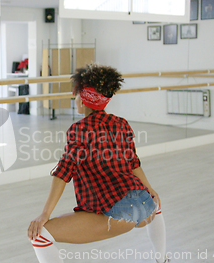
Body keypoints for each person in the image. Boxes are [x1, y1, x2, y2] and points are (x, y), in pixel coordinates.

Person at [27, 64, 169, 263]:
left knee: (40, 235)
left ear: (84, 100)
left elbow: (63, 173)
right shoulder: (121, 123)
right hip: (143, 205)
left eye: (76, 95)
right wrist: (150, 188)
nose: (74, 98)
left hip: (119, 215)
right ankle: (162, 259)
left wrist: (44, 214)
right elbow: (133, 163)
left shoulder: (79, 129)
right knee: (155, 202)